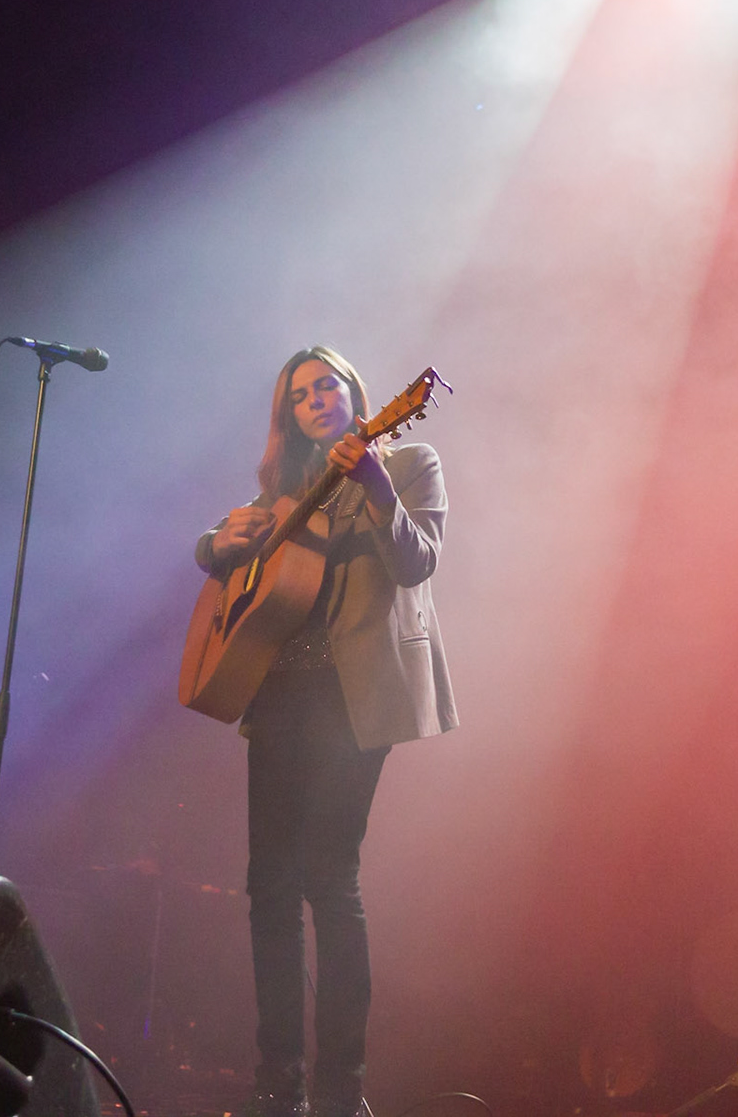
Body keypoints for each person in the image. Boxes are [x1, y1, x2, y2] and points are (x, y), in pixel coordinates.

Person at [196, 346, 456, 1117]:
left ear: (355, 392)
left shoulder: (409, 461)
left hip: (354, 695)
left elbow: (417, 563)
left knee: (329, 878)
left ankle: (343, 1089)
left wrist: (375, 483)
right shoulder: (285, 493)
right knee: (269, 885)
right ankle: (279, 1082)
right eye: (299, 396)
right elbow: (219, 545)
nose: (314, 400)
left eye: (325, 386)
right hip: (279, 692)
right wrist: (214, 547)